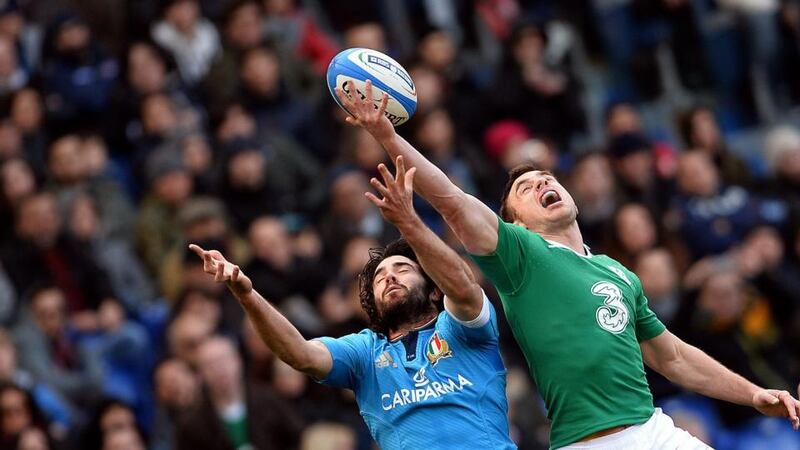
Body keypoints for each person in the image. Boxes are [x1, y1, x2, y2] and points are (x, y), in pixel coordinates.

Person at [337, 80, 800, 449]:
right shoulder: (520, 256)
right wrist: (386, 135)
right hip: (588, 443)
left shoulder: (618, 272)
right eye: (526, 189)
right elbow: (452, 201)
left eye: (547, 179)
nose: (541, 185)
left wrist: (753, 394)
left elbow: (672, 356)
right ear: (515, 222)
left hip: (655, 430)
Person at [188, 157, 516, 449]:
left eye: (402, 269)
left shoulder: (462, 327)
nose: (389, 277)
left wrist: (408, 222)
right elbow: (300, 354)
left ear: (433, 291)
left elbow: (461, 285)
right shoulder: (364, 352)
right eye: (379, 278)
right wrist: (247, 295)